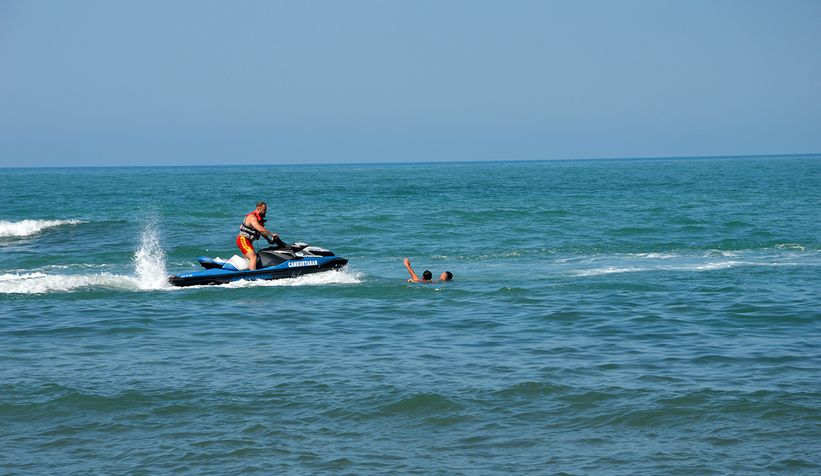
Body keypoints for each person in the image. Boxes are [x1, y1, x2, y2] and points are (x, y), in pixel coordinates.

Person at [237, 202, 285, 270]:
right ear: (258, 209)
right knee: (253, 257)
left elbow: (261, 232)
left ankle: (247, 272)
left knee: (249, 259)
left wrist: (268, 239)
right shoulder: (252, 217)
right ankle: (253, 276)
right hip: (243, 240)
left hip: (248, 241)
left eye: (266, 210)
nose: (265, 212)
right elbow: (261, 229)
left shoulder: (260, 219)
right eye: (264, 210)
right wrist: (272, 234)